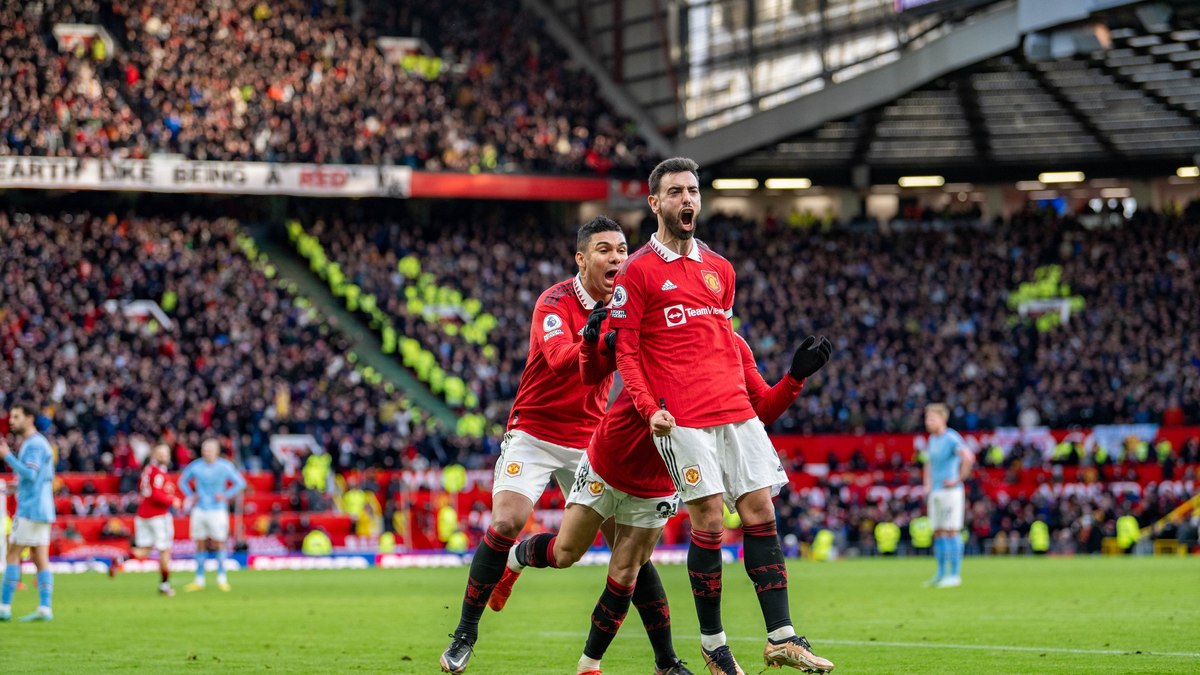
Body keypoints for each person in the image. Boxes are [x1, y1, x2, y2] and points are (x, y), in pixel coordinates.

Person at [608, 157, 835, 674]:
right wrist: (649, 411)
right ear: (655, 203)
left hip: (733, 410)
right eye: (675, 192)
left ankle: (781, 637)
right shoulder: (639, 270)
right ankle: (714, 645)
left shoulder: (721, 271)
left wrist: (795, 377)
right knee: (710, 517)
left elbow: (753, 387)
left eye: (692, 191)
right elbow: (627, 352)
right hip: (681, 417)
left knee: (761, 510)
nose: (686, 200)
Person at [501, 331, 830, 675]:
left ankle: (589, 666)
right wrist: (593, 342)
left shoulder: (733, 344)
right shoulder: (656, 334)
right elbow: (594, 370)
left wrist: (794, 379)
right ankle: (516, 557)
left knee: (627, 570)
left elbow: (757, 409)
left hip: (661, 475)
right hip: (612, 459)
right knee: (565, 553)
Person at [441, 216, 643, 674]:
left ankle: (666, 659)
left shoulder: (629, 306)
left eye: (622, 249)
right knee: (508, 519)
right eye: (605, 249)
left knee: (629, 546)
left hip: (590, 440)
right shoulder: (553, 301)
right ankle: (465, 634)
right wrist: (596, 342)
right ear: (582, 258)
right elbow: (557, 360)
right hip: (534, 431)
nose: (616, 257)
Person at [0, 402, 56, 622]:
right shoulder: (38, 444)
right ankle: (45, 607)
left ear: (29, 418)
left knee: (12, 553)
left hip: (30, 509)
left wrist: (7, 456)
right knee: (39, 557)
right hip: (43, 508)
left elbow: (31, 474)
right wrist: (17, 485)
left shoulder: (33, 445)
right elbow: (34, 478)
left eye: (16, 417)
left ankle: (4, 607)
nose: (12, 421)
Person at [179, 439, 246, 592]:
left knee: (219, 542)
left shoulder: (224, 466)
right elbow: (182, 481)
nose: (207, 452)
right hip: (200, 509)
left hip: (217, 510)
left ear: (216, 451)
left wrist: (226, 495)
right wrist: (191, 495)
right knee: (200, 542)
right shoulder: (196, 466)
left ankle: (222, 578)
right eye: (205, 449)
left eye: (210, 449)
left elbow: (240, 483)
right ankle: (199, 579)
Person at [922, 403, 975, 588]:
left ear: (942, 419)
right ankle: (940, 573)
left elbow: (968, 457)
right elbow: (928, 463)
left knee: (951, 530)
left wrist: (957, 479)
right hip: (936, 491)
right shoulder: (932, 440)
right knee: (938, 532)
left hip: (950, 492)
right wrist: (927, 483)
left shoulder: (951, 437)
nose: (928, 422)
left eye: (932, 418)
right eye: (927, 418)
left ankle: (955, 574)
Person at [122, 443, 181, 595]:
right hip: (158, 516)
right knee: (165, 550)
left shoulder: (148, 470)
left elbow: (145, 489)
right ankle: (164, 586)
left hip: (143, 514)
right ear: (155, 455)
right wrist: (172, 500)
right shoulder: (158, 473)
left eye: (166, 453)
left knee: (144, 550)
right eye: (161, 454)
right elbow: (156, 494)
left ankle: (121, 560)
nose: (165, 457)